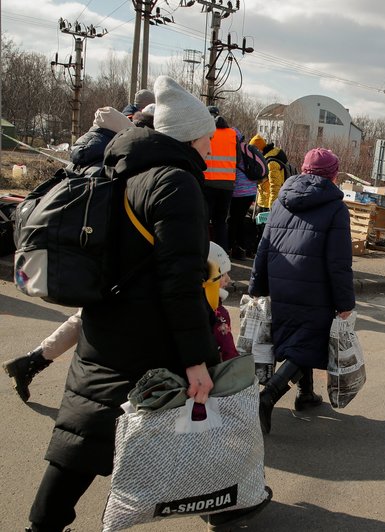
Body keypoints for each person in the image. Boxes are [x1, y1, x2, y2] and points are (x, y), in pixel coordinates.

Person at [23, 75, 230, 531]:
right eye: (207, 139)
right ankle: (220, 498)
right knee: (174, 427)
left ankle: (41, 525)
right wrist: (197, 358)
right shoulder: (176, 183)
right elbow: (179, 281)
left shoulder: (123, 167)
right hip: (149, 335)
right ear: (188, 137)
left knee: (83, 434)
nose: (211, 149)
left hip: (104, 319)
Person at [3, 106, 133, 402]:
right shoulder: (109, 164)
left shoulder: (80, 156)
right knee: (99, 324)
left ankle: (31, 363)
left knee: (86, 317)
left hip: (74, 256)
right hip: (97, 259)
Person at [249, 148, 355, 434]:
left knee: (299, 338)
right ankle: (269, 394)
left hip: (281, 282)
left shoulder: (282, 200)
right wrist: (345, 302)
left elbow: (264, 245)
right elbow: (339, 262)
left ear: (304, 170)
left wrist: (257, 285)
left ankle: (305, 394)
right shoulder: (335, 208)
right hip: (315, 287)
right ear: (333, 174)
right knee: (309, 341)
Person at [203, 113, 238, 251]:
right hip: (227, 185)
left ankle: (204, 251)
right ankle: (222, 252)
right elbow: (239, 160)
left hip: (208, 182)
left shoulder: (207, 133)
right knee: (220, 221)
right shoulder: (232, 134)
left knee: (204, 220)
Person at [228, 128, 259, 260]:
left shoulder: (233, 149)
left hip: (238, 192)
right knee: (239, 220)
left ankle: (229, 248)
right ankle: (241, 249)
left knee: (232, 220)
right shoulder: (247, 149)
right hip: (250, 191)